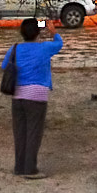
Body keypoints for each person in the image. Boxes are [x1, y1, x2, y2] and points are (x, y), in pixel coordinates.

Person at [5, 17, 64, 178]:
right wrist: (53, 31)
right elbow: (59, 44)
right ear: (38, 32)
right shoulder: (44, 48)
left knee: (20, 133)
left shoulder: (15, 49)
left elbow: (5, 66)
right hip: (37, 96)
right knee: (33, 132)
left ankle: (19, 166)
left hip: (17, 95)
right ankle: (30, 169)